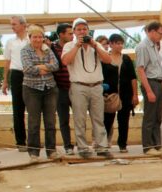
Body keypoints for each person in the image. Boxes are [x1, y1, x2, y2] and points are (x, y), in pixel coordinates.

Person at [61, 18, 112, 158]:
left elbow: (108, 60)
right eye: (79, 29)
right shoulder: (69, 45)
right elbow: (65, 61)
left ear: (88, 31)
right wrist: (77, 46)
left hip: (96, 86)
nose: (82, 32)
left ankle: (101, 146)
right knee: (80, 119)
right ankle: (83, 148)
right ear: (74, 32)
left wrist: (95, 46)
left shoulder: (95, 45)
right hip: (79, 87)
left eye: (85, 29)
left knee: (98, 118)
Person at [20, 25, 59, 160]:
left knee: (50, 121)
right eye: (34, 37)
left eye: (40, 36)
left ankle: (51, 150)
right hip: (31, 88)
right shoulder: (25, 50)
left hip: (49, 88)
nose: (37, 39)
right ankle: (34, 152)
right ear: (29, 38)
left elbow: (56, 66)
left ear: (43, 38)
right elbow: (28, 68)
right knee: (34, 122)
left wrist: (41, 67)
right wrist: (45, 68)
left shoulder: (47, 49)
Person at [135, 21, 162, 155]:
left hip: (158, 82)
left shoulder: (155, 46)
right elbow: (141, 69)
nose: (161, 36)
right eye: (160, 33)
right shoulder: (143, 46)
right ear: (152, 31)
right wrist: (148, 90)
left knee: (158, 116)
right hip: (150, 82)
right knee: (150, 116)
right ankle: (148, 146)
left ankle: (157, 144)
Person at [2, 15, 29, 148]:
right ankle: (20, 141)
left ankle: (34, 140)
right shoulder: (10, 42)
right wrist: (5, 80)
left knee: (33, 108)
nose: (12, 27)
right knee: (18, 109)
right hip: (16, 74)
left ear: (24, 25)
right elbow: (7, 61)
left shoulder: (32, 39)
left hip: (31, 74)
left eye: (14, 24)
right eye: (11, 24)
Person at [109, 34, 137, 153]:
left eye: (121, 43)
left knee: (123, 120)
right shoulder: (105, 58)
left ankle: (122, 144)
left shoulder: (126, 59)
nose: (120, 45)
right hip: (110, 94)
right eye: (117, 43)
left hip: (125, 94)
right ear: (111, 44)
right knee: (108, 120)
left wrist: (135, 95)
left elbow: (133, 78)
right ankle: (104, 143)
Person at [51, 23, 74, 154]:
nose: (72, 36)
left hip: (75, 86)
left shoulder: (75, 46)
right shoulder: (52, 47)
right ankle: (68, 146)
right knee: (63, 119)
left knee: (80, 117)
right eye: (70, 33)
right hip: (60, 88)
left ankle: (81, 144)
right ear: (61, 35)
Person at [100, 36, 119, 145]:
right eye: (103, 44)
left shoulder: (112, 59)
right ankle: (98, 141)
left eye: (107, 44)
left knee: (110, 119)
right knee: (99, 119)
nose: (106, 46)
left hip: (111, 94)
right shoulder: (95, 59)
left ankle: (107, 140)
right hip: (99, 93)